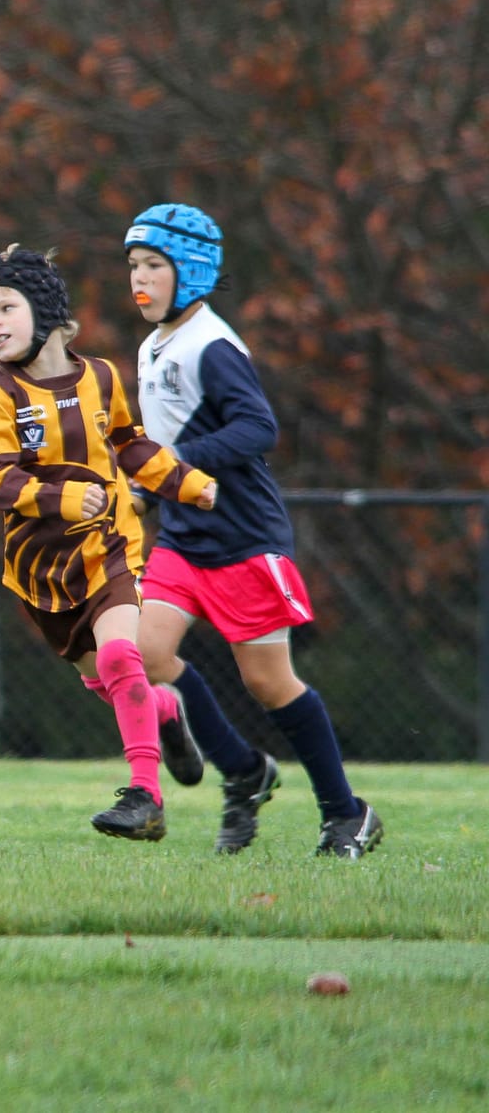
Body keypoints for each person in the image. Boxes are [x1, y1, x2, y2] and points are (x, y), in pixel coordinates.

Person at [125, 203, 383, 858]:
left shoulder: (212, 345)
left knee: (269, 683)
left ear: (192, 272)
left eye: (154, 265)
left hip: (242, 540)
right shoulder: (152, 345)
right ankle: (244, 772)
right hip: (183, 537)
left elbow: (258, 429)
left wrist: (180, 462)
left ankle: (346, 813)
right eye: (134, 265)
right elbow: (164, 450)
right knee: (146, 653)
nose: (140, 279)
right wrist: (142, 488)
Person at [0, 244, 214, 841]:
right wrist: (63, 498)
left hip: (109, 550)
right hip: (41, 576)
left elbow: (131, 446)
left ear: (45, 308)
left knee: (118, 656)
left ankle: (144, 799)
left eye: (5, 306)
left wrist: (186, 483)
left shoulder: (102, 377)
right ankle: (165, 713)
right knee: (110, 679)